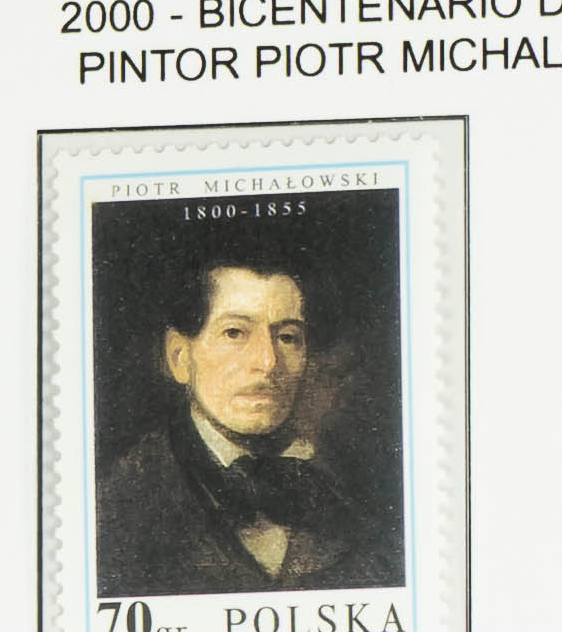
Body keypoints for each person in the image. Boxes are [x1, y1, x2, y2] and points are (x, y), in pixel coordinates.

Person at [92, 243, 395, 596]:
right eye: (234, 333)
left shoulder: (344, 503)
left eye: (287, 337)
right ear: (179, 357)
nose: (267, 362)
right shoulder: (119, 507)